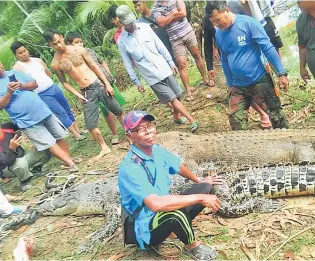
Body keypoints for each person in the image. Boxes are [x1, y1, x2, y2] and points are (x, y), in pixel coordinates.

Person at [118, 110, 222, 260]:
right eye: (140, 129)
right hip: (143, 225)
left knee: (206, 188)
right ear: (129, 136)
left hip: (160, 208)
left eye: (149, 126)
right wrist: (199, 198)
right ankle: (191, 246)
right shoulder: (131, 167)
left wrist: (200, 180)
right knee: (174, 213)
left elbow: (179, 167)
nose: (148, 132)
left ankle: (171, 229)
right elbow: (155, 204)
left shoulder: (157, 150)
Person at [43, 29, 125, 160]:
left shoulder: (79, 50)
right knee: (90, 125)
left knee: (119, 111)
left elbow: (94, 66)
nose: (58, 45)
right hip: (86, 92)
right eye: (54, 44)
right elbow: (64, 82)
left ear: (63, 37)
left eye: (59, 41)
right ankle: (104, 147)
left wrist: (107, 83)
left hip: (98, 84)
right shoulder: (55, 63)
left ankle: (130, 134)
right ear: (50, 45)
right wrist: (77, 94)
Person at [205, 1, 289, 130]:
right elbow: (225, 60)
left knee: (277, 117)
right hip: (238, 85)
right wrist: (230, 84)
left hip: (258, 80)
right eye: (213, 23)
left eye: (218, 20)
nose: (217, 24)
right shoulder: (219, 33)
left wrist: (281, 73)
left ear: (227, 10)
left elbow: (268, 48)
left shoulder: (248, 23)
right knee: (236, 121)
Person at [115, 5, 199, 132]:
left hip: (164, 68)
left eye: (131, 21)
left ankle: (176, 115)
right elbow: (128, 64)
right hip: (151, 76)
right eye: (127, 23)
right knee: (172, 98)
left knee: (178, 95)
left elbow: (160, 46)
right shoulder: (122, 41)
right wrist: (137, 82)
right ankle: (190, 119)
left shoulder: (145, 28)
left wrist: (171, 62)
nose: (131, 25)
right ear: (121, 23)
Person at [0, 61, 78, 172]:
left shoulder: (14, 73)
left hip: (42, 111)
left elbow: (34, 84)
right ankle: (70, 163)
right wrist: (9, 92)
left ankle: (69, 160)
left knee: (59, 136)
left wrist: (22, 85)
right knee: (49, 142)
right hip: (26, 120)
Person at [10, 41, 85, 141]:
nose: (24, 53)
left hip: (53, 87)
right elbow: (22, 85)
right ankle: (75, 134)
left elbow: (48, 73)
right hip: (41, 94)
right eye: (20, 53)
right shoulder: (17, 68)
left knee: (66, 108)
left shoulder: (37, 60)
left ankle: (78, 130)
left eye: (25, 50)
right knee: (60, 112)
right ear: (15, 55)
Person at [65, 31, 126, 145]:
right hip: (95, 87)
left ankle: (128, 130)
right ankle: (115, 134)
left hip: (107, 82)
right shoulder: (71, 59)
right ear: (69, 44)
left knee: (118, 108)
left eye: (80, 42)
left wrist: (108, 76)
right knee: (106, 111)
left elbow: (101, 62)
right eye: (76, 42)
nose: (79, 45)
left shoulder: (89, 51)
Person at [152, 0, 214, 101]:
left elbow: (183, 13)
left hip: (188, 32)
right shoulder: (155, 7)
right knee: (182, 64)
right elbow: (161, 23)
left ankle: (205, 79)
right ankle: (188, 90)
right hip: (174, 39)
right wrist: (173, 13)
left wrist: (167, 18)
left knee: (197, 55)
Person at [0, 122, 51, 191]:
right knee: (20, 163)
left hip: (22, 155)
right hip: (7, 168)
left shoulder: (7, 127)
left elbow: (22, 127)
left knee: (45, 150)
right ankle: (24, 180)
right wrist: (12, 148)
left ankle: (35, 169)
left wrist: (26, 135)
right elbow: (7, 162)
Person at [133, 0, 177, 65]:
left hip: (170, 42)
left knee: (180, 65)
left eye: (139, 5)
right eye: (135, 7)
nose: (137, 8)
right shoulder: (139, 23)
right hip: (159, 49)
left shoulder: (157, 12)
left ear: (144, 2)